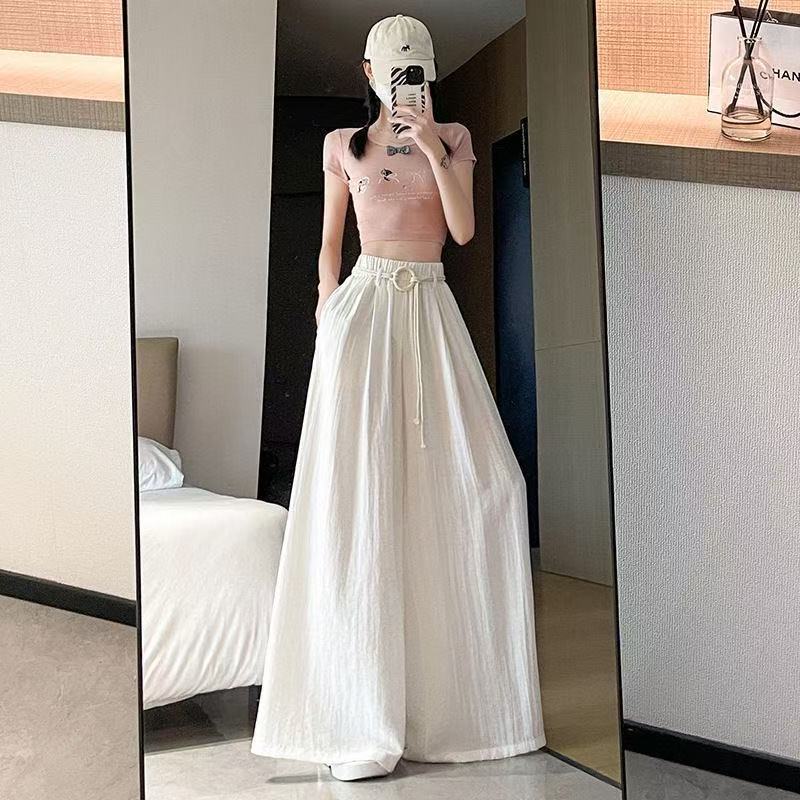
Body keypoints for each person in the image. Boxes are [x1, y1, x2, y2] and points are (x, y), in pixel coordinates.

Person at [251, 13, 545, 782]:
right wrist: (326, 311)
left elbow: (464, 231)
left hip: (430, 308)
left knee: (488, 485)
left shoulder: (454, 138)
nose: (406, 82)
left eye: (417, 69)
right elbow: (329, 244)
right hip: (364, 312)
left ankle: (452, 703)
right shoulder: (341, 148)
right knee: (359, 495)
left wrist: (430, 147)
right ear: (370, 73)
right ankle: (358, 715)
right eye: (394, 70)